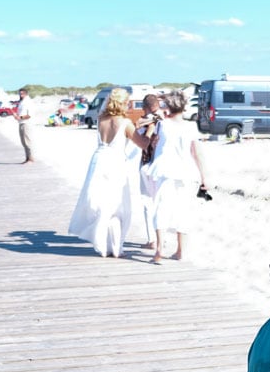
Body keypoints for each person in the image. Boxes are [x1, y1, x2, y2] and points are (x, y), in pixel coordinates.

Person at [67, 88, 139, 258]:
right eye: (127, 101)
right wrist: (150, 131)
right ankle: (116, 247)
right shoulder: (125, 123)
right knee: (119, 206)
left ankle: (102, 244)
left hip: (99, 160)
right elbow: (142, 143)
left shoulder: (101, 119)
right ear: (122, 103)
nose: (129, 104)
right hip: (115, 163)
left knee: (102, 203)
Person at [143, 89, 206, 264]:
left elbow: (153, 120)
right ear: (185, 107)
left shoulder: (163, 123)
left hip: (165, 170)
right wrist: (204, 177)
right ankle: (180, 251)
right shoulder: (191, 126)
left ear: (168, 106)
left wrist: (162, 100)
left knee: (161, 208)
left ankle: (159, 251)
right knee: (183, 210)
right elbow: (197, 153)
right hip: (186, 171)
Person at [131, 93, 165, 250]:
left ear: (145, 107)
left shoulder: (142, 122)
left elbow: (139, 140)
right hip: (161, 166)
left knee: (147, 201)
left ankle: (152, 239)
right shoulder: (165, 120)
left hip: (146, 163)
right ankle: (161, 239)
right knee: (161, 202)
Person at [16, 87, 35, 163]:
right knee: (23, 142)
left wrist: (20, 117)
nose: (21, 95)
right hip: (21, 122)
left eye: (22, 93)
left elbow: (29, 115)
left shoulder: (28, 102)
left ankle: (31, 158)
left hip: (27, 123)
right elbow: (20, 113)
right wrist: (17, 117)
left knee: (27, 141)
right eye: (20, 93)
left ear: (26, 93)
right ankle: (27, 158)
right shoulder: (21, 102)